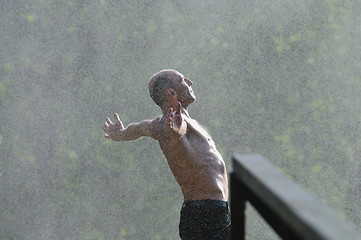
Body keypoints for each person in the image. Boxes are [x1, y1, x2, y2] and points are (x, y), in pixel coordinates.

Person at [102, 69, 230, 239]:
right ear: (171, 93)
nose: (190, 82)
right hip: (205, 213)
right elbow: (176, 131)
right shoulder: (170, 123)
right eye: (183, 80)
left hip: (213, 210)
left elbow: (139, 129)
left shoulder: (169, 123)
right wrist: (174, 130)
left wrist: (121, 133)